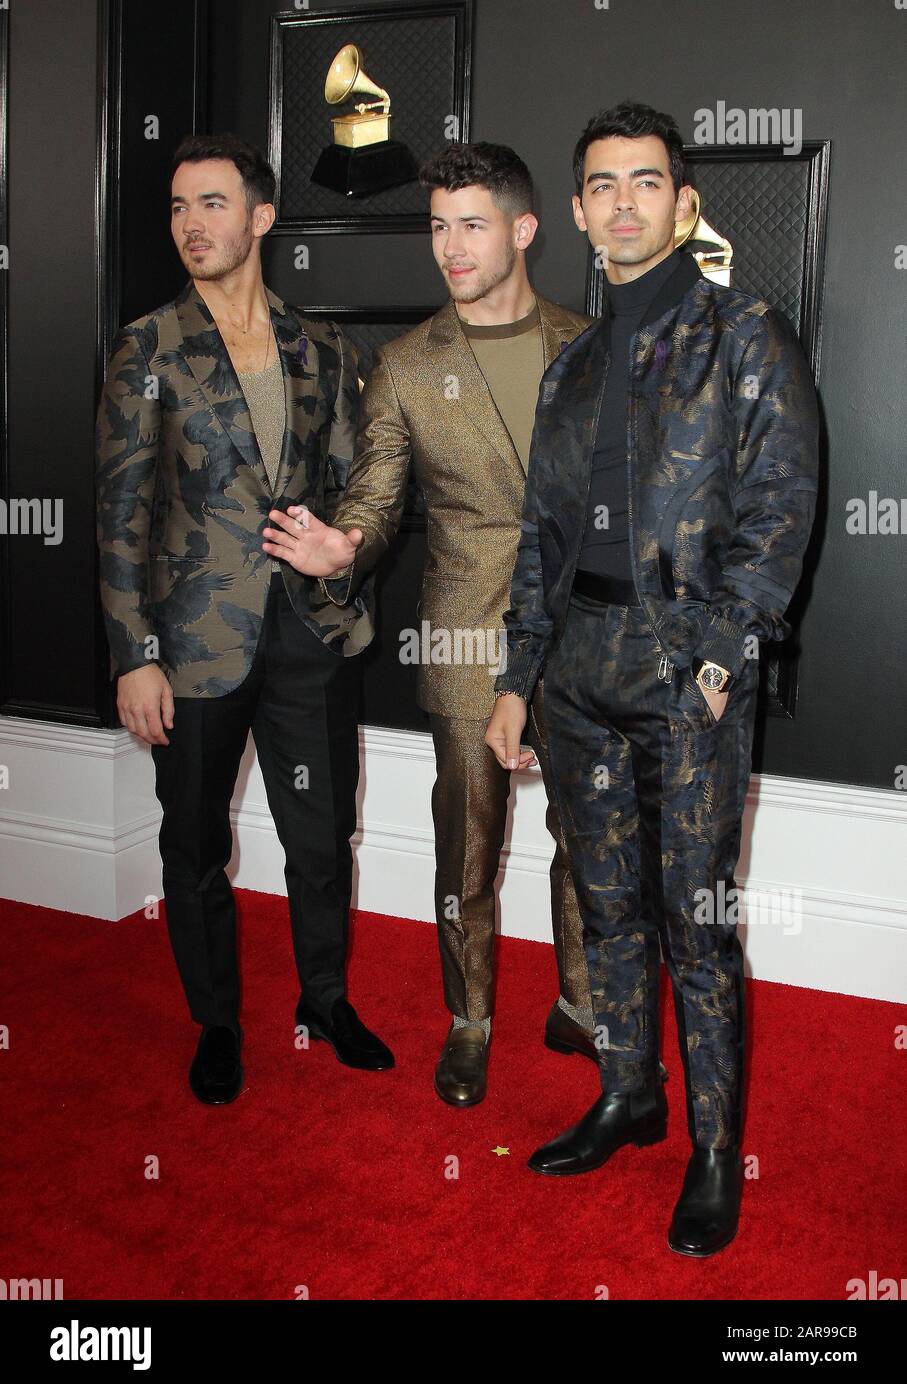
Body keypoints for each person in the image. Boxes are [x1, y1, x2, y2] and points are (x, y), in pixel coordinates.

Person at [485, 101, 819, 1255]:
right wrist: (517, 678)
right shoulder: (569, 364)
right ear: (576, 211)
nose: (622, 202)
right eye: (601, 185)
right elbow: (539, 537)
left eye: (644, 182)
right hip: (577, 669)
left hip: (686, 677)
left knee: (696, 921)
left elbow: (781, 514)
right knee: (605, 902)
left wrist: (726, 656)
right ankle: (630, 1094)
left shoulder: (748, 336)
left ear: (682, 204)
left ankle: (716, 1148)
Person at [261, 143, 605, 1107]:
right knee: (468, 845)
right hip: (467, 634)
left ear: (524, 229)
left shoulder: (591, 345)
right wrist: (348, 544)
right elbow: (375, 491)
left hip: (583, 637)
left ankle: (580, 1006)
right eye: (437, 226)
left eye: (471, 224)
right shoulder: (408, 366)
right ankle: (470, 1019)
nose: (449, 247)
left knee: (589, 840)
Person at [95, 132, 392, 1106]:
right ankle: (217, 1022)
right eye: (179, 207)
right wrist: (135, 652)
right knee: (192, 845)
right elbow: (120, 512)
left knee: (319, 839)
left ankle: (324, 999)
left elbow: (362, 489)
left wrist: (343, 548)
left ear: (262, 217)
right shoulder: (147, 346)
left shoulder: (325, 348)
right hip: (192, 646)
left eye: (212, 203)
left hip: (309, 634)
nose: (192, 224)